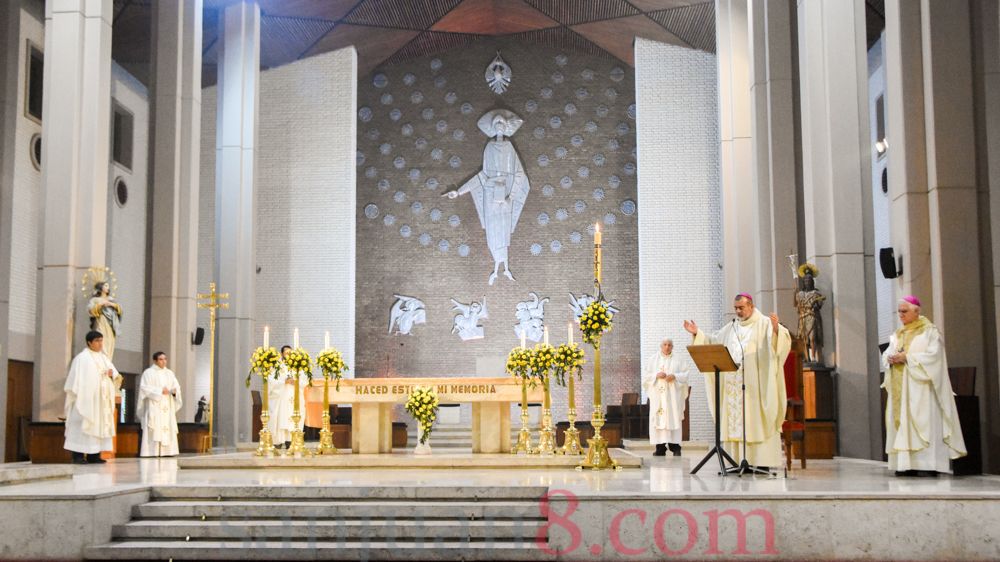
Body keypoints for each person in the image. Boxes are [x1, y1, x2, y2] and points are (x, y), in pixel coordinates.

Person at [683, 293, 791, 469]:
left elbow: (781, 343)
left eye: (741, 308)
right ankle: (737, 461)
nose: (738, 312)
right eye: (736, 308)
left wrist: (777, 330)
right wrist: (698, 333)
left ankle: (759, 462)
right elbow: (714, 340)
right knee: (735, 421)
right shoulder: (732, 327)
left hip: (755, 386)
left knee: (755, 420)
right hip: (733, 386)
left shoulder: (764, 323)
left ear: (751, 305)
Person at [882, 296, 967, 476]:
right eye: (899, 311)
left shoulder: (929, 332)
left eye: (905, 311)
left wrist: (908, 358)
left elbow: (934, 357)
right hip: (901, 387)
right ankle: (905, 465)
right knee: (902, 423)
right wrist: (890, 358)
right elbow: (889, 352)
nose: (901, 315)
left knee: (924, 424)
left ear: (916, 311)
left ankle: (928, 465)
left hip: (922, 389)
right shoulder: (898, 333)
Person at [444, 109, 530, 285]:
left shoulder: (509, 148)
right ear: (493, 127)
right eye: (496, 124)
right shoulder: (489, 147)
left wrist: (511, 196)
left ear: (506, 127)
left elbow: (519, 174)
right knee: (492, 233)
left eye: (502, 124)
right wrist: (459, 191)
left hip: (505, 193)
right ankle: (496, 269)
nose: (499, 127)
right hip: (490, 193)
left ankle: (505, 268)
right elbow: (483, 175)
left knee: (504, 233)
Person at [63, 331, 119, 464]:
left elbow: (115, 375)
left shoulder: (104, 358)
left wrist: (111, 375)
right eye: (97, 341)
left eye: (101, 340)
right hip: (86, 400)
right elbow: (76, 380)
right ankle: (77, 456)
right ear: (89, 342)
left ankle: (94, 455)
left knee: (98, 426)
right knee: (82, 427)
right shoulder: (82, 358)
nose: (100, 344)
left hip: (100, 402)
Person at [642, 338, 690, 456]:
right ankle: (660, 447)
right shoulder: (653, 360)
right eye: (665, 344)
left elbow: (686, 373)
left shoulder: (679, 359)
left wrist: (675, 376)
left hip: (673, 396)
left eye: (669, 345)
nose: (667, 347)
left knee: (673, 417)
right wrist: (656, 375)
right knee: (658, 418)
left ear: (672, 347)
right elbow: (646, 375)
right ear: (661, 346)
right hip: (658, 396)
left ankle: (675, 447)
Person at [137, 352, 182, 457]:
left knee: (167, 426)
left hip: (167, 405)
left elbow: (176, 387)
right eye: (161, 359)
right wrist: (159, 391)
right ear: (155, 361)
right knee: (155, 425)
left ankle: (168, 451)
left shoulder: (170, 373)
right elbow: (144, 388)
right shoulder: (148, 373)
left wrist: (175, 392)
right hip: (155, 405)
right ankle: (151, 452)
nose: (164, 361)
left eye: (165, 359)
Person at [268, 345, 306, 448]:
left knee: (293, 418)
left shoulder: (298, 367)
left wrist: (296, 382)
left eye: (290, 353)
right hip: (281, 398)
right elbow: (271, 381)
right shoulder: (277, 367)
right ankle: (279, 441)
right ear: (282, 354)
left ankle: (291, 440)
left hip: (294, 397)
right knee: (281, 417)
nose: (288, 355)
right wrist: (283, 381)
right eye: (286, 353)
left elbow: (305, 381)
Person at [88, 282, 122, 361]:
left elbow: (120, 309)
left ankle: (108, 360)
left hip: (111, 324)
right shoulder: (95, 300)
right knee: (102, 340)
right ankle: (103, 359)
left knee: (109, 341)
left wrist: (111, 304)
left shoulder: (111, 299)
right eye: (106, 285)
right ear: (100, 287)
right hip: (101, 322)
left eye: (108, 286)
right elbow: (91, 311)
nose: (108, 287)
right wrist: (100, 305)